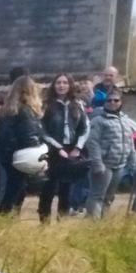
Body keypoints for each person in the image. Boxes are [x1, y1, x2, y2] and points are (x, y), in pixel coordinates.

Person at [0, 75, 45, 216]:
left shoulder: (5, 112)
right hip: (21, 158)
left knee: (6, 196)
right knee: (14, 198)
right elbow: (30, 138)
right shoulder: (27, 112)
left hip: (6, 158)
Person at [40, 72, 90, 221]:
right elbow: (42, 130)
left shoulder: (78, 104)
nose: (61, 86)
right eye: (58, 83)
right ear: (54, 85)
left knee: (66, 190)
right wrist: (57, 148)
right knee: (48, 188)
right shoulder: (47, 105)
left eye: (65, 83)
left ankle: (62, 222)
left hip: (72, 152)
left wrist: (78, 148)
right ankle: (44, 223)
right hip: (52, 152)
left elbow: (85, 127)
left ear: (70, 85)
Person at [88, 86, 136, 216]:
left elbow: (130, 142)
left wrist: (133, 162)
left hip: (119, 165)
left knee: (109, 197)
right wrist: (98, 164)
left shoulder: (125, 120)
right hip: (104, 164)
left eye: (116, 100)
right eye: (109, 100)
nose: (112, 103)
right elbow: (92, 143)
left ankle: (104, 225)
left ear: (121, 102)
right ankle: (93, 226)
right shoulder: (98, 120)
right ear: (104, 102)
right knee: (97, 195)